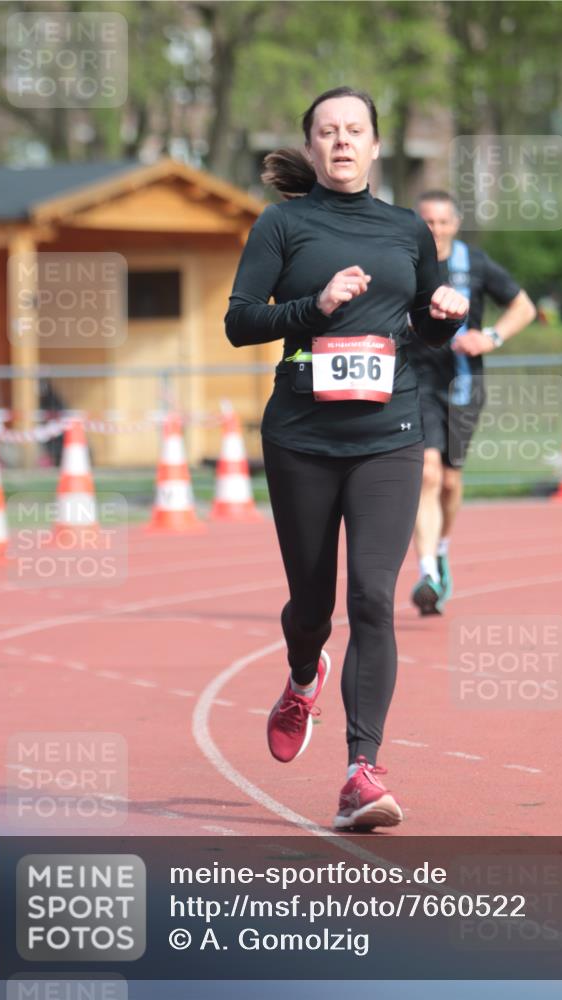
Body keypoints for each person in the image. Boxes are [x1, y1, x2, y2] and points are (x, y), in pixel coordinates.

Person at [225, 87, 468, 831]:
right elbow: (239, 323)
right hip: (300, 436)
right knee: (312, 608)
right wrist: (316, 306)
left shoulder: (405, 229)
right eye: (326, 132)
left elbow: (424, 329)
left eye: (353, 130)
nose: (340, 142)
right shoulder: (282, 224)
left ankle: (362, 770)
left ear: (372, 144)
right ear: (310, 146)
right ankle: (304, 676)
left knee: (371, 597)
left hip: (389, 436)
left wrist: (443, 316)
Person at [407, 191, 536, 615]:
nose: (435, 229)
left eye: (442, 221)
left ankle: (441, 550)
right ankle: (426, 572)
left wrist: (492, 337)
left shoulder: (475, 263)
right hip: (416, 381)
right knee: (426, 473)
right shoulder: (405, 260)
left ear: (455, 223)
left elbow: (524, 306)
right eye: (427, 221)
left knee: (449, 482)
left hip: (463, 384)